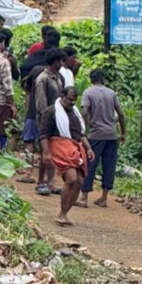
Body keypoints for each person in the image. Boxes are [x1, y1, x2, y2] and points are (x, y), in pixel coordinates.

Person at [38, 87, 95, 227]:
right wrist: (46, 152)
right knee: (71, 178)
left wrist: (88, 148)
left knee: (80, 181)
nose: (72, 103)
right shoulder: (51, 112)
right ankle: (62, 214)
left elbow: (80, 134)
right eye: (70, 100)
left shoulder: (75, 114)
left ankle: (65, 213)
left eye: (74, 101)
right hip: (59, 145)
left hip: (75, 147)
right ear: (62, 96)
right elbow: (44, 134)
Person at [78, 69, 126, 209]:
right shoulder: (111, 93)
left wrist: (84, 131)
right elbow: (121, 114)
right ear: (103, 79)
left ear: (91, 79)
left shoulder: (88, 93)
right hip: (111, 134)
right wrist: (123, 133)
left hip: (96, 134)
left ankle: (84, 197)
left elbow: (85, 112)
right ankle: (104, 198)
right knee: (109, 165)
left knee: (89, 165)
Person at [32, 48, 67, 195]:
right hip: (46, 119)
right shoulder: (43, 79)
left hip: (57, 118)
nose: (61, 63)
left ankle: (51, 182)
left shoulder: (58, 77)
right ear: (55, 61)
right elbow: (41, 104)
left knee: (54, 151)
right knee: (45, 151)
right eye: (60, 60)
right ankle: (41, 181)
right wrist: (47, 119)